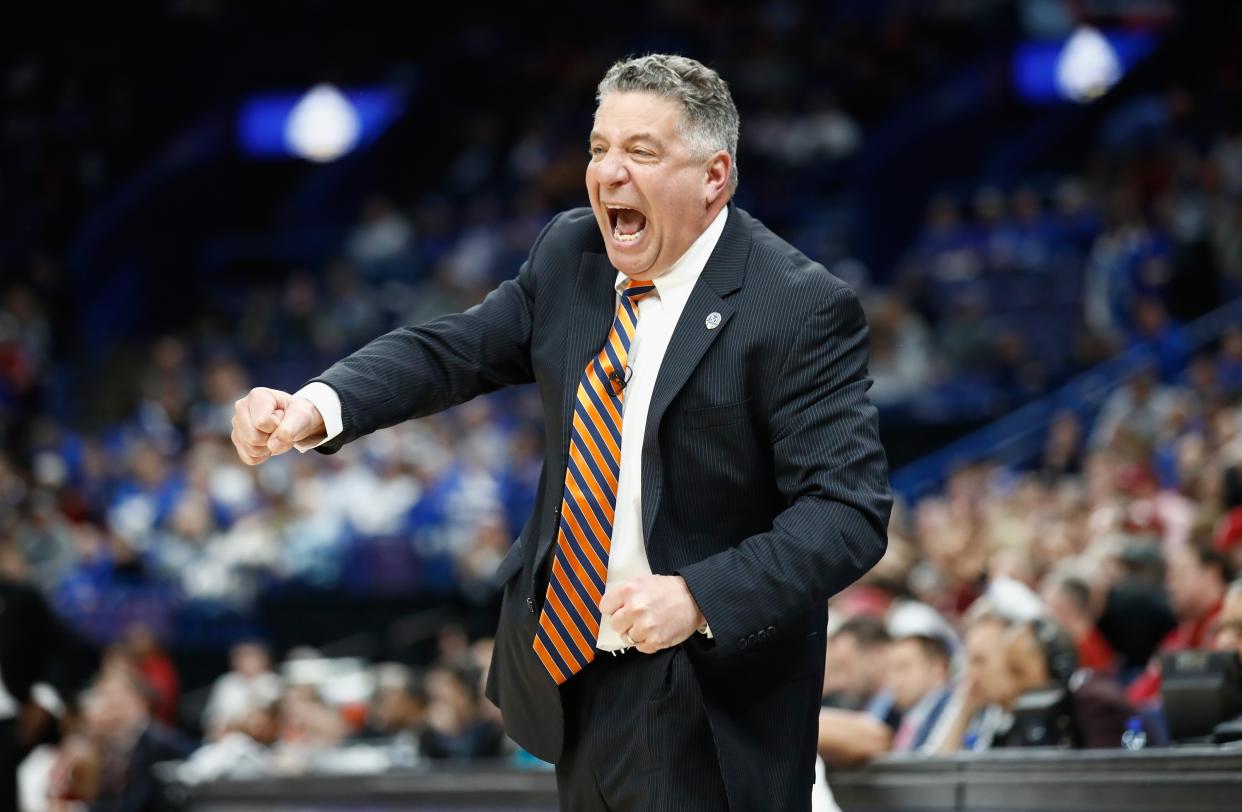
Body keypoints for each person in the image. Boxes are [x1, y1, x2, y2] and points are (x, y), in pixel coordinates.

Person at [231, 53, 891, 811]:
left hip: (707, 694)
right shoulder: (571, 254)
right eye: (598, 147)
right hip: (576, 675)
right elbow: (457, 349)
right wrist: (320, 404)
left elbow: (846, 511)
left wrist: (699, 597)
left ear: (714, 177)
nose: (609, 173)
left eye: (641, 151)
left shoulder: (797, 305)